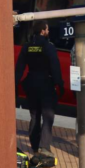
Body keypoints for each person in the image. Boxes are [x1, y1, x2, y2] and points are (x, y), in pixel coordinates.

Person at [15, 21, 64, 157]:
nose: (48, 31)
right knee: (48, 116)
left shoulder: (27, 46)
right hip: (46, 85)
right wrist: (59, 84)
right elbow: (55, 67)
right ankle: (44, 147)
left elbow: (19, 68)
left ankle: (35, 146)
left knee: (34, 116)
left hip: (31, 83)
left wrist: (15, 84)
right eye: (47, 29)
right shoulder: (48, 47)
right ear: (43, 31)